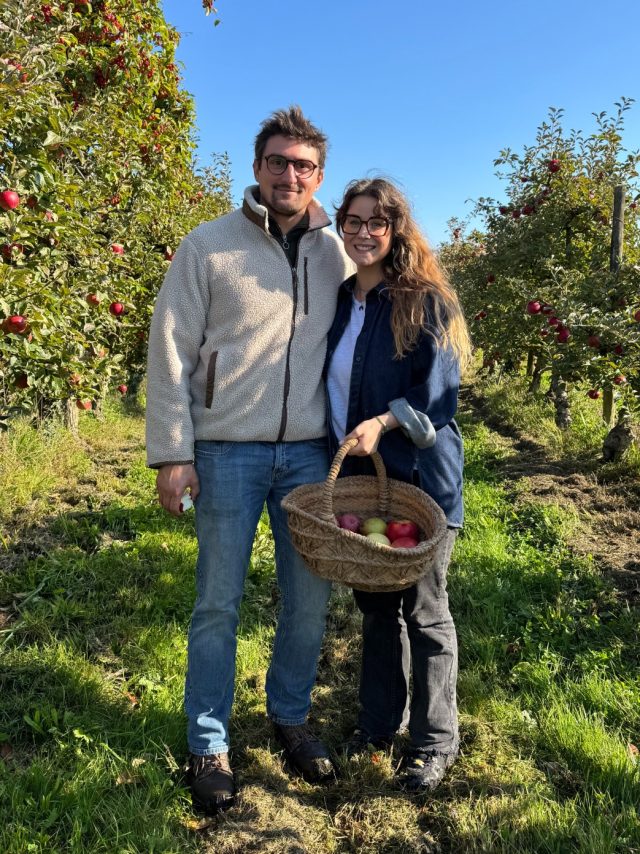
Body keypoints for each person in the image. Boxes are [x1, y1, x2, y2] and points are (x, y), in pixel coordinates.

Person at [145, 106, 353, 814]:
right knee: (217, 602)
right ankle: (209, 741)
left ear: (318, 176)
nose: (290, 174)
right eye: (278, 162)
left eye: (304, 165)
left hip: (309, 455)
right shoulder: (208, 246)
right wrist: (173, 452)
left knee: (308, 600)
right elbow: (170, 349)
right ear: (258, 167)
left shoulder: (337, 254)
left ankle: (290, 716)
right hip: (226, 448)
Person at [325, 177, 471, 792]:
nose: (363, 233)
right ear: (341, 225)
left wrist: (383, 422)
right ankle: (380, 723)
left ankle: (435, 740)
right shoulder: (340, 299)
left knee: (426, 611)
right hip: (365, 482)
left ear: (395, 230)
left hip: (419, 481)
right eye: (353, 222)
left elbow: (438, 394)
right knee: (377, 607)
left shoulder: (424, 301)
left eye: (376, 223)